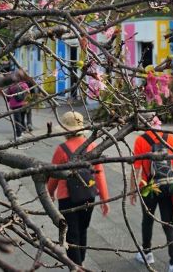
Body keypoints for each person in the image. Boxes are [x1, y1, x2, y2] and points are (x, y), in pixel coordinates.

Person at [46, 111, 110, 266]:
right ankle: (80, 260)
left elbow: (54, 175)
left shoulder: (62, 149)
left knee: (71, 235)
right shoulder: (92, 146)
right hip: (89, 195)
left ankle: (76, 266)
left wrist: (49, 194)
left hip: (67, 198)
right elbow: (99, 174)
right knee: (83, 229)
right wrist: (104, 199)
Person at [131, 124, 173, 272]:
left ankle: (147, 253)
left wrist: (133, 190)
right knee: (168, 223)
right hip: (167, 185)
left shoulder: (140, 140)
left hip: (148, 186)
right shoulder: (169, 138)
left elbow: (136, 168)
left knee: (147, 220)